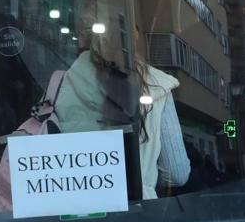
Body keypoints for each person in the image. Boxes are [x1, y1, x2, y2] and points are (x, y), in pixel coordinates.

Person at [53, 23, 190, 199]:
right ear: (134, 36)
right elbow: (177, 173)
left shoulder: (62, 84)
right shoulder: (157, 86)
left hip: (78, 209)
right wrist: (146, 178)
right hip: (138, 211)